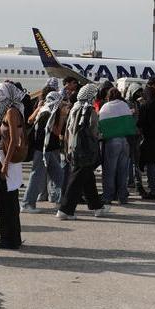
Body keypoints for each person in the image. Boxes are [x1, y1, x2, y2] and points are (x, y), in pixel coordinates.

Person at [57, 83, 109, 219]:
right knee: (76, 180)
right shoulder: (89, 110)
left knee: (88, 179)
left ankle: (97, 207)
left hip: (73, 148)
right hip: (86, 151)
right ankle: (65, 210)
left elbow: (69, 130)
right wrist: (100, 135)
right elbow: (94, 131)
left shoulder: (75, 108)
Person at [0, 82, 25, 249]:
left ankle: (8, 239)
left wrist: (5, 165)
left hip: (6, 161)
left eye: (0, 93)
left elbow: (14, 141)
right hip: (3, 158)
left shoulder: (11, 111)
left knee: (6, 203)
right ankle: (11, 237)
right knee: (7, 202)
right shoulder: (10, 110)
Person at [22, 89, 65, 211]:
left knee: (59, 176)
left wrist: (38, 108)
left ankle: (60, 201)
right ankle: (27, 204)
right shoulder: (49, 113)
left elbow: (30, 120)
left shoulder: (44, 110)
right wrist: (62, 116)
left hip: (46, 150)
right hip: (43, 151)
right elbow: (56, 132)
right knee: (36, 177)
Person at [98, 88, 136, 203]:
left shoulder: (106, 107)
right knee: (123, 171)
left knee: (109, 171)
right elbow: (130, 123)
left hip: (112, 142)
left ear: (108, 96)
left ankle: (108, 197)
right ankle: (122, 197)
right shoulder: (124, 105)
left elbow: (101, 126)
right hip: (125, 142)